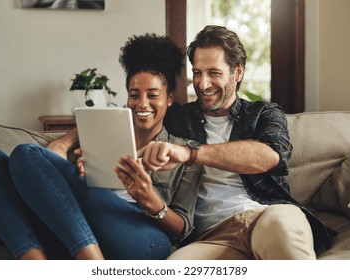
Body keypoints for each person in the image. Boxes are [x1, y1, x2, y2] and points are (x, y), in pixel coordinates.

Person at [0, 33, 201, 260]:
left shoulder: (182, 151)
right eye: (134, 95)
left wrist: (148, 197)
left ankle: (91, 264)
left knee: (27, 153)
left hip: (144, 238)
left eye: (153, 95)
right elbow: (63, 193)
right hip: (80, 226)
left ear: (169, 98)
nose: (142, 103)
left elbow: (182, 229)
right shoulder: (97, 135)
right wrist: (80, 174)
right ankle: (34, 263)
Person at [138, 25, 336, 260]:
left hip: (267, 217)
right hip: (210, 236)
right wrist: (81, 134)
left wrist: (189, 153)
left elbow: (270, 156)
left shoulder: (265, 113)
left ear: (238, 72)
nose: (202, 84)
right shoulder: (178, 118)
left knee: (285, 239)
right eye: (198, 73)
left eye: (214, 73)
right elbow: (136, 114)